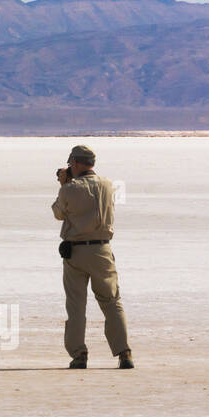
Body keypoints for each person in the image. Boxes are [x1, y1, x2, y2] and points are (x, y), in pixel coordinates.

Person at [52, 145, 133, 370]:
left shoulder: (69, 189)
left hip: (76, 252)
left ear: (76, 164)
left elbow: (58, 213)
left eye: (71, 165)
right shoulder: (109, 185)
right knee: (112, 302)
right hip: (103, 251)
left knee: (76, 306)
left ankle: (79, 355)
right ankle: (124, 352)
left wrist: (64, 184)